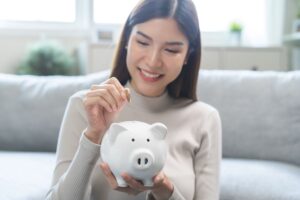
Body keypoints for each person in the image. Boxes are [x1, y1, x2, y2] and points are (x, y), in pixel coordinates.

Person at [46, 0, 222, 199]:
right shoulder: (86, 107)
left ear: (188, 55)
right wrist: (93, 136)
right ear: (127, 41)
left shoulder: (204, 119)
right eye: (143, 42)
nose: (153, 61)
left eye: (171, 50)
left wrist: (164, 189)